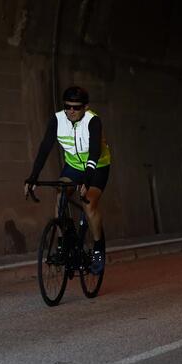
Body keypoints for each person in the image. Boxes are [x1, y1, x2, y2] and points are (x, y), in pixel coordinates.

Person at [25, 86, 111, 274]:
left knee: (89, 203)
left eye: (76, 107)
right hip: (73, 166)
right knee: (60, 195)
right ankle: (64, 243)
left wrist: (87, 180)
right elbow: (45, 148)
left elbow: (95, 152)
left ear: (85, 107)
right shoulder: (57, 119)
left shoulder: (93, 120)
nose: (71, 111)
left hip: (97, 167)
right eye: (67, 106)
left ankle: (98, 248)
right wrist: (33, 177)